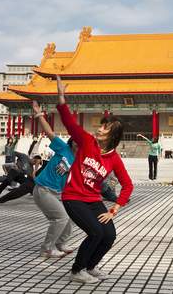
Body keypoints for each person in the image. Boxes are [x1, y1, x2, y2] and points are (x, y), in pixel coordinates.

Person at [56, 76, 134, 283]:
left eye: (105, 128)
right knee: (95, 233)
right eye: (101, 125)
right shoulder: (87, 141)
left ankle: (90, 267)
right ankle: (76, 270)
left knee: (109, 235)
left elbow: (128, 185)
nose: (99, 129)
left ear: (113, 135)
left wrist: (115, 208)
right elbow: (70, 123)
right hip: (73, 197)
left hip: (93, 200)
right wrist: (62, 99)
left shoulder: (114, 158)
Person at [31, 101, 77, 258]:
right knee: (60, 218)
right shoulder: (63, 148)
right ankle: (46, 249)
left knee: (69, 217)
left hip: (58, 193)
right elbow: (49, 132)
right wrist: (38, 114)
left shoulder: (79, 160)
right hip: (43, 189)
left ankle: (61, 243)